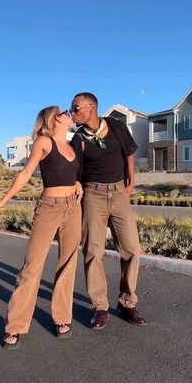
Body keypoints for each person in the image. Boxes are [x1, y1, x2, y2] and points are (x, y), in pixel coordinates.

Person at [0, 106, 83, 349]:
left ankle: (62, 318)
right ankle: (15, 325)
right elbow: (26, 173)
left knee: (68, 263)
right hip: (49, 208)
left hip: (73, 208)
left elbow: (67, 174)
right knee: (32, 266)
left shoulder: (71, 146)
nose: (68, 114)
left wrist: (77, 184)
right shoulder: (44, 141)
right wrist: (4, 200)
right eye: (63, 112)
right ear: (53, 120)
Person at [70, 92, 146, 330]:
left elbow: (129, 153)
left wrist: (131, 181)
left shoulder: (116, 126)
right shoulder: (78, 138)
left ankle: (127, 302)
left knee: (132, 249)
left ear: (91, 108)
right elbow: (75, 172)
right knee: (93, 251)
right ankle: (100, 307)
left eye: (75, 108)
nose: (72, 113)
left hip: (119, 193)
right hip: (93, 195)